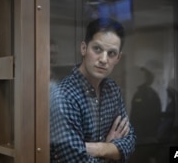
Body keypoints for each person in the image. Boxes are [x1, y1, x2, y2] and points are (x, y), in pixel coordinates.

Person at [50, 18, 136, 163]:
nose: (103, 59)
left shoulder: (113, 90)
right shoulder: (64, 95)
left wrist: (99, 148)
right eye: (97, 49)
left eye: (111, 53)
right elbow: (75, 160)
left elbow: (130, 139)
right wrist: (112, 151)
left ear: (118, 58)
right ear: (84, 48)